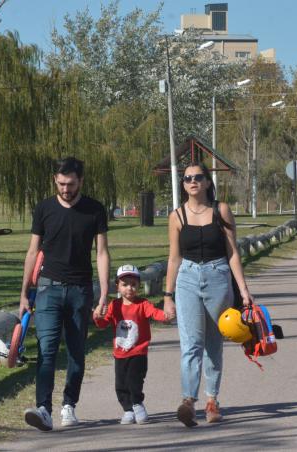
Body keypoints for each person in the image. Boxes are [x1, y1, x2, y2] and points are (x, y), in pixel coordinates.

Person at [21, 157, 110, 432]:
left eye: (70, 184)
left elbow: (102, 252)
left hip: (80, 290)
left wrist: (104, 292)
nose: (65, 189)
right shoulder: (44, 208)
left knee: (75, 352)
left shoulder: (94, 209)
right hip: (48, 288)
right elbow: (33, 252)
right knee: (46, 350)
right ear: (55, 181)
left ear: (81, 181)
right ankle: (44, 409)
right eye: (61, 184)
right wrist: (24, 292)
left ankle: (69, 404)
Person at [164, 163, 254, 428]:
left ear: (206, 182)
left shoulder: (221, 210)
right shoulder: (176, 216)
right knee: (191, 342)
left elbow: (233, 253)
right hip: (188, 277)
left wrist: (244, 291)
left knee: (214, 342)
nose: (193, 181)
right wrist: (167, 295)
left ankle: (212, 400)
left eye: (198, 177)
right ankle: (188, 401)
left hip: (218, 275)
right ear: (183, 184)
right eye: (187, 178)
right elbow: (173, 258)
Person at [93, 264, 170, 425]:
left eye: (134, 284)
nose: (130, 288)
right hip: (120, 353)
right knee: (120, 384)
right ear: (117, 287)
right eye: (125, 284)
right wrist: (97, 317)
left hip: (138, 352)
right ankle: (128, 410)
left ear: (139, 286)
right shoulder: (114, 306)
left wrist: (166, 316)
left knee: (135, 380)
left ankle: (137, 404)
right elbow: (102, 324)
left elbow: (155, 313)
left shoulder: (143, 304)